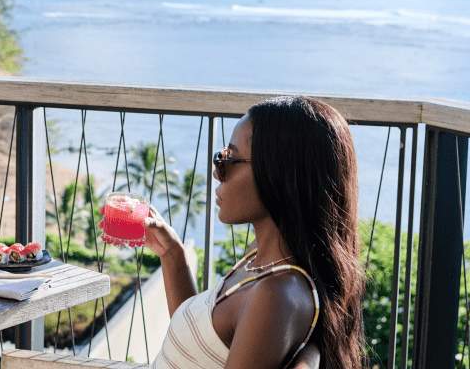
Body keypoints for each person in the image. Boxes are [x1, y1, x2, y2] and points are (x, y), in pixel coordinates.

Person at [143, 96, 365, 369]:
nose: (217, 173)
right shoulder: (261, 260)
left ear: (278, 174)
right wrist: (172, 255)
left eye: (227, 159)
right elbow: (197, 349)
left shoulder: (277, 295)